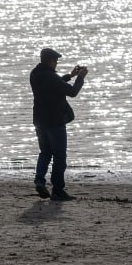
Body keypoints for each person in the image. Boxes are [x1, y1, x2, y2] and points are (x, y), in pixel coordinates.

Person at [30, 47, 87, 201]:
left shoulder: (35, 74)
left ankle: (39, 180)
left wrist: (70, 75)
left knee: (45, 153)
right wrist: (80, 78)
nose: (56, 63)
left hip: (40, 121)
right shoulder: (51, 77)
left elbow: (55, 83)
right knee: (59, 157)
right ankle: (58, 190)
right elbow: (73, 92)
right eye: (55, 61)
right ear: (50, 61)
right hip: (55, 121)